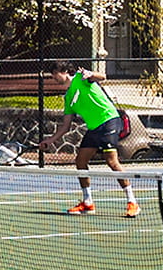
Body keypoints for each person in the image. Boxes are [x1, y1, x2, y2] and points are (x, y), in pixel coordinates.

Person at [59, 66, 139, 218]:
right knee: (81, 161)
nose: (53, 79)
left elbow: (103, 77)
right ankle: (88, 202)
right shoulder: (68, 97)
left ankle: (132, 202)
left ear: (63, 72)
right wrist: (50, 140)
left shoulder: (80, 78)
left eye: (54, 75)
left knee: (111, 161)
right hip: (94, 127)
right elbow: (65, 126)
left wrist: (91, 74)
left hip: (109, 120)